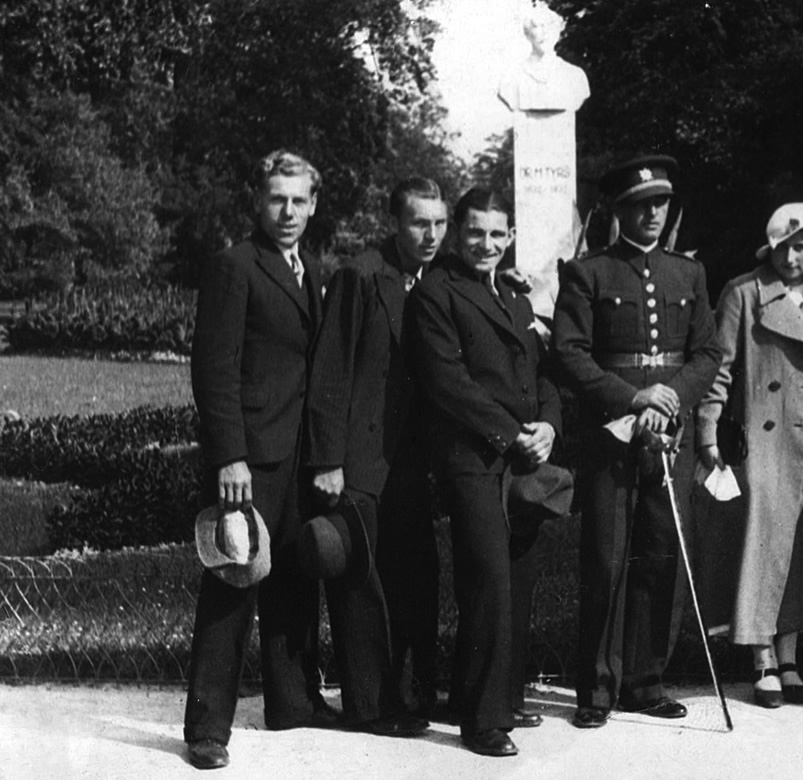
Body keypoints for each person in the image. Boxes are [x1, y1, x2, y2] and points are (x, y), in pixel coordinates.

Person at [552, 154, 721, 728]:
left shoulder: (688, 274)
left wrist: (670, 398)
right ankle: (596, 689)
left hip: (668, 435)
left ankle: (644, 682)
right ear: (620, 212)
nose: (653, 214)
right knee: (606, 558)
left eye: (661, 204)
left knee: (660, 555)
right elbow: (569, 353)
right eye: (641, 205)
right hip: (612, 437)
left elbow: (708, 353)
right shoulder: (590, 273)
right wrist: (633, 399)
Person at [184, 150, 329, 770]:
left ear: (315, 205)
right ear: (258, 201)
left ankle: (291, 701)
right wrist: (229, 457)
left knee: (296, 578)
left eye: (299, 200)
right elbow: (213, 368)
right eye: (277, 199)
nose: (288, 211)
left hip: (298, 454)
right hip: (249, 458)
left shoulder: (312, 271)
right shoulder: (235, 266)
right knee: (233, 581)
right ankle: (207, 728)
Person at [407, 187, 564, 757]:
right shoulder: (434, 293)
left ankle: (499, 697)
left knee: (516, 579)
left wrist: (548, 424)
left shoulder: (514, 294)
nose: (488, 244)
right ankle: (481, 720)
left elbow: (541, 371)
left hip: (522, 458)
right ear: (457, 233)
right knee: (488, 580)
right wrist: (511, 432)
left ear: (511, 237)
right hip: (472, 459)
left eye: (499, 234)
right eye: (476, 232)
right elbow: (448, 384)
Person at [303, 178, 449, 737]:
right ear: (396, 223)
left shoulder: (441, 276)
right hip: (361, 454)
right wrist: (327, 459)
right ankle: (370, 706)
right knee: (363, 582)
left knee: (414, 573)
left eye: (439, 223)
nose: (431, 234)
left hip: (412, 457)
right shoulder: (359, 275)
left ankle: (413, 693)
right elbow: (332, 370)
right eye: (419, 222)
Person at [696, 203, 803, 709]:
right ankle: (761, 657)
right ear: (769, 249)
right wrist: (708, 430)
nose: (795, 256)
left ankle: (791, 654)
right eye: (785, 247)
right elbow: (720, 367)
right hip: (762, 433)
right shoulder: (743, 293)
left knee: (801, 543)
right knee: (760, 539)